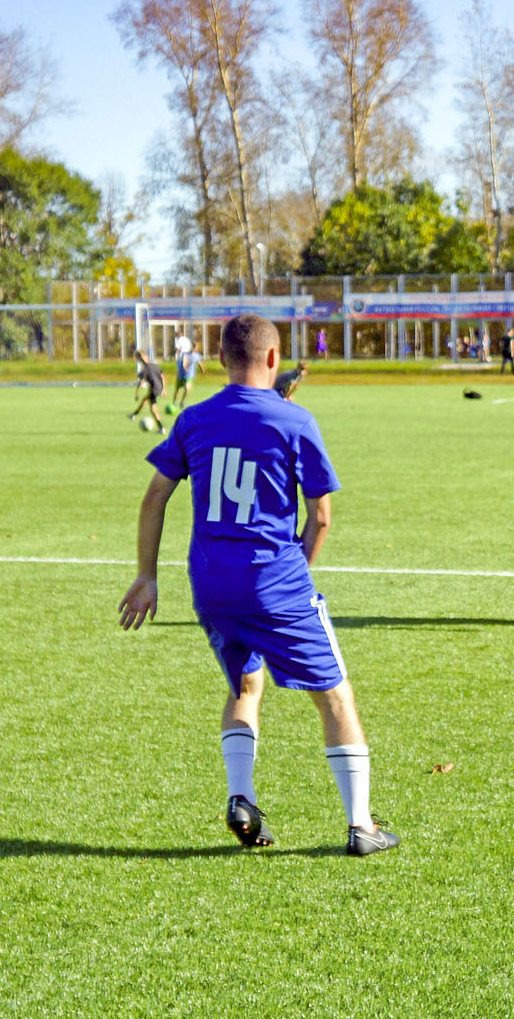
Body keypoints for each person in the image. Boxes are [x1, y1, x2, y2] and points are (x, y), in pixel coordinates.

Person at [119, 313, 398, 857]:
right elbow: (321, 518)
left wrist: (147, 576)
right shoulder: (295, 421)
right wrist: (297, 576)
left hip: (212, 587)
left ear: (221, 360)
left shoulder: (195, 419)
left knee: (244, 686)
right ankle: (362, 826)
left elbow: (155, 497)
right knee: (335, 698)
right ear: (274, 359)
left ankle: (241, 797)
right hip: (275, 583)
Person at [129, 350, 165, 431]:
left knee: (153, 410)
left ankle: (161, 428)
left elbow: (141, 382)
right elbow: (162, 376)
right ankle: (134, 414)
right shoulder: (155, 366)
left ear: (138, 359)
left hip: (154, 390)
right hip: (158, 388)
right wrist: (163, 389)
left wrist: (136, 393)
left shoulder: (144, 369)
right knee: (145, 401)